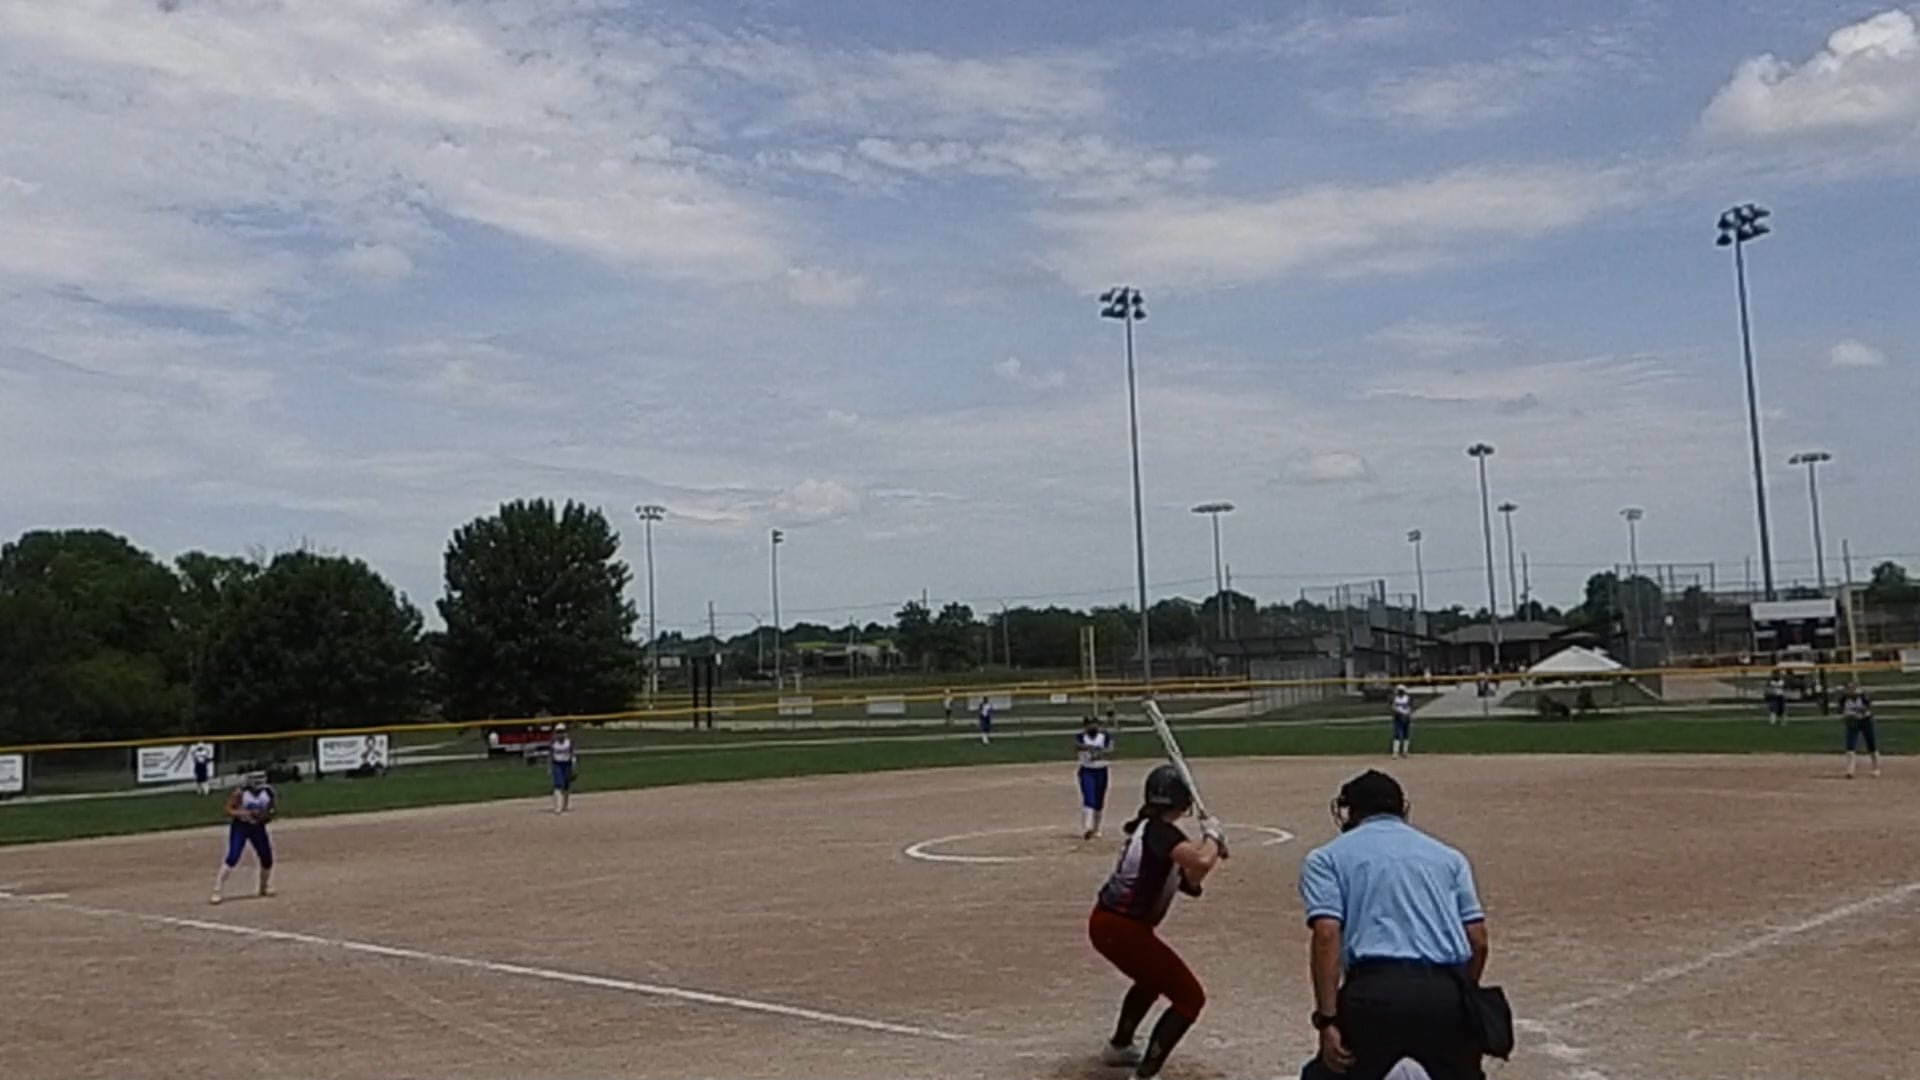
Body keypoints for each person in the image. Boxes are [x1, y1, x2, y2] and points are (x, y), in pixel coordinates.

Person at [1298, 770, 1492, 1080]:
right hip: (1445, 994)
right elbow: (1478, 941)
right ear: (1402, 808)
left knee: (1325, 1075)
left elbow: (1326, 934)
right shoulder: (1449, 858)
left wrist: (1327, 1020)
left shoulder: (1326, 858)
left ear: (1350, 811)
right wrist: (1461, 994)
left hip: (1373, 994)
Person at [1088, 764, 1228, 1080]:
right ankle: (1146, 1075)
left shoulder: (1152, 830)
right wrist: (1212, 836)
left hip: (1114, 926)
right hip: (1121, 929)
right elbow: (1200, 858)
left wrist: (1213, 848)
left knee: (1152, 980)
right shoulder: (1160, 832)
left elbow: (1191, 879)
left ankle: (1120, 1046)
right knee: (1190, 998)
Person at [212, 773, 276, 905]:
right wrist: (244, 813)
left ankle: (264, 886)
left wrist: (266, 816)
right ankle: (217, 889)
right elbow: (228, 809)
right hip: (241, 826)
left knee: (266, 857)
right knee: (233, 856)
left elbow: (271, 809)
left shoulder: (268, 792)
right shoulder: (241, 792)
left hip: (257, 827)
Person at [1075, 715, 1114, 839]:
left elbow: (1110, 749)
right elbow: (1078, 746)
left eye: (1095, 724)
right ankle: (1087, 827)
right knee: (1089, 797)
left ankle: (1097, 828)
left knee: (1099, 800)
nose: (1093, 726)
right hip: (1087, 770)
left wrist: (1101, 751)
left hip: (1101, 771)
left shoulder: (1104, 737)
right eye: (1090, 724)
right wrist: (1091, 748)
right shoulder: (1081, 737)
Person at [1841, 684, 1882, 780]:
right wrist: (1848, 717)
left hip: (1866, 722)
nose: (1851, 693)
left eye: (1853, 690)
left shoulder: (1863, 697)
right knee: (1850, 746)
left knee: (1871, 745)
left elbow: (1868, 710)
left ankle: (1876, 768)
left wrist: (1856, 712)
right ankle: (1850, 770)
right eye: (1849, 690)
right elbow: (1842, 711)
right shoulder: (1844, 699)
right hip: (1852, 723)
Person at [550, 723, 577, 812]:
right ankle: (558, 806)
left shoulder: (569, 742)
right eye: (558, 732)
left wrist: (574, 765)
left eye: (562, 732)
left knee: (566, 785)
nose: (560, 734)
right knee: (557, 784)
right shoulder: (554, 743)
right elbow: (551, 755)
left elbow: (572, 753)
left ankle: (565, 805)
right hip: (557, 764)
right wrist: (550, 767)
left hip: (567, 764)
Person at [1389, 685, 1414, 759]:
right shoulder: (1394, 698)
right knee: (1397, 734)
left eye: (1401, 691)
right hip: (1398, 718)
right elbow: (1393, 707)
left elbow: (1410, 708)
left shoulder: (1408, 698)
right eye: (1399, 691)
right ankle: (1395, 752)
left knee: (1406, 734)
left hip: (1406, 718)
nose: (1400, 692)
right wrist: (1401, 713)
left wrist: (1407, 714)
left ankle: (1405, 751)